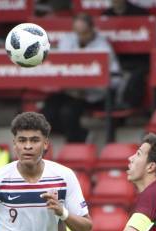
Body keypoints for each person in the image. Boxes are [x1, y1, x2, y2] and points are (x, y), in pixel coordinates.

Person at [42, 14, 121, 142]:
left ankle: (78, 142)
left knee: (67, 113)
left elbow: (115, 79)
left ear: (92, 29)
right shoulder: (67, 40)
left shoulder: (103, 47)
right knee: (46, 112)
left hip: (93, 94)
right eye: (77, 33)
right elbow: (61, 67)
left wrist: (87, 87)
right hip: (69, 90)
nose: (80, 37)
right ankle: (78, 134)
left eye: (84, 33)